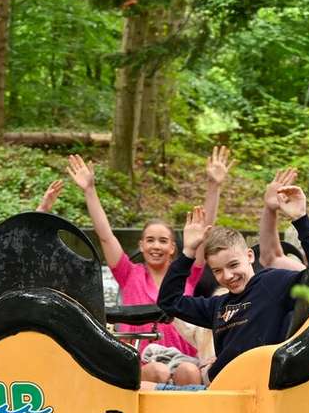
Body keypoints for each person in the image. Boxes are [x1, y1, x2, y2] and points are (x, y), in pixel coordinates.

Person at [63, 148, 233, 385]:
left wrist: (214, 187)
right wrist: (90, 190)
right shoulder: (128, 273)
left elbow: (206, 233)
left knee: (190, 373)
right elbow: (105, 236)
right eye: (150, 240)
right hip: (141, 361)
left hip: (183, 358)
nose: (156, 246)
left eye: (163, 241)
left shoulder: (186, 274)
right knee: (158, 372)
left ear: (173, 247)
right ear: (141, 245)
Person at [157, 182, 309, 387]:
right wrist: (188, 252)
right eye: (217, 270)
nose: (228, 276)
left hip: (261, 386)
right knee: (147, 388)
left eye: (233, 265)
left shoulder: (274, 282)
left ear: (250, 256)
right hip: (223, 389)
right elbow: (168, 302)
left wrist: (301, 219)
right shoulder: (217, 306)